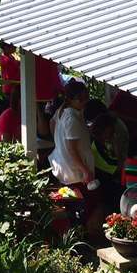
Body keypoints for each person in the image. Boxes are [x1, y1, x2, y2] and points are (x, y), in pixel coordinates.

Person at [48, 79, 102, 237]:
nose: (84, 101)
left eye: (86, 97)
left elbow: (52, 124)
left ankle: (77, 232)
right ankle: (82, 232)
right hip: (75, 171)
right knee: (88, 202)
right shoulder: (72, 119)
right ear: (70, 100)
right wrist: (85, 171)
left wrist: (58, 143)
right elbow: (72, 150)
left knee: (73, 203)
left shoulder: (62, 111)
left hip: (66, 166)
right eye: (79, 99)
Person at [89, 112, 123, 215]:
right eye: (111, 129)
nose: (113, 132)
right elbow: (119, 168)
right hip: (104, 191)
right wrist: (116, 145)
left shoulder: (104, 144)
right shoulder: (96, 147)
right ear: (102, 129)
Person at [84, 98, 130, 171]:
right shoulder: (98, 147)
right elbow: (119, 167)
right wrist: (115, 145)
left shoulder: (117, 129)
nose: (113, 136)